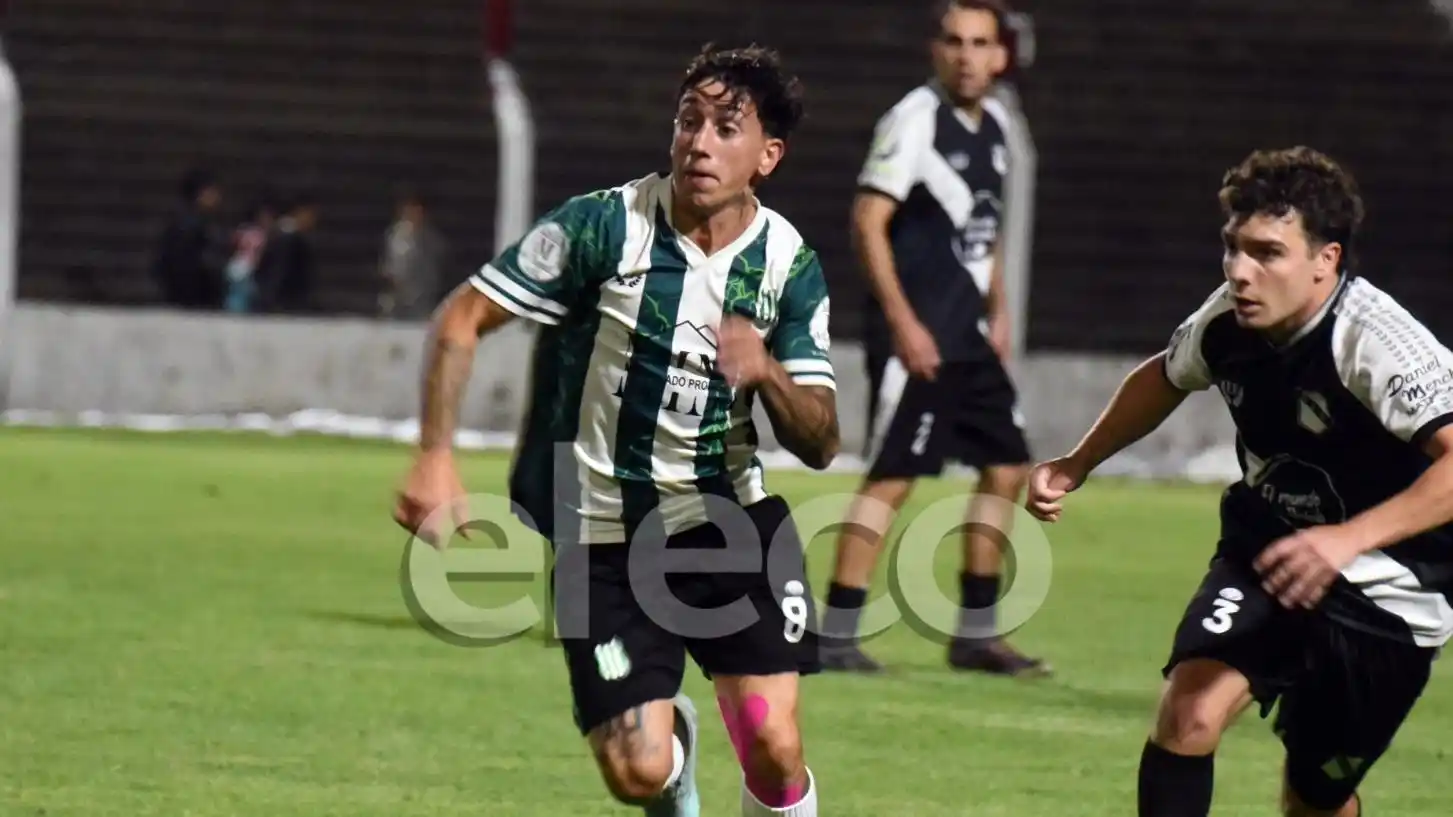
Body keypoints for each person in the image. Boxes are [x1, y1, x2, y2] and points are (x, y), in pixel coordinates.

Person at [392, 45, 834, 817]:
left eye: (725, 128)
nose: (698, 141)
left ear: (767, 155)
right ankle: (674, 760)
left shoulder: (787, 265)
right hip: (602, 537)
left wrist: (766, 371)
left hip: (730, 525)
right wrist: (435, 455)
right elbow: (462, 316)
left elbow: (822, 440)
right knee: (637, 769)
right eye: (687, 120)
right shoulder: (603, 226)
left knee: (772, 741)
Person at [1027, 146, 1453, 817]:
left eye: (1265, 253)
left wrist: (1346, 540)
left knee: (1315, 796)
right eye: (1231, 248)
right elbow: (1165, 374)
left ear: (1326, 260)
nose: (1238, 271)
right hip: (1267, 545)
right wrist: (1076, 461)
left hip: (1391, 590)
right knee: (1188, 713)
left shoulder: (1376, 343)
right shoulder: (1227, 317)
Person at [819, 0, 1046, 676]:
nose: (967, 55)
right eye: (953, 41)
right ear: (934, 50)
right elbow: (868, 220)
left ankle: (974, 633)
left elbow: (982, 227)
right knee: (893, 475)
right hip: (919, 336)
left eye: (980, 43)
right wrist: (903, 322)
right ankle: (834, 632)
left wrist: (997, 306)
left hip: (968, 337)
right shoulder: (912, 120)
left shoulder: (998, 124)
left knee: (1006, 465)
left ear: (1000, 55)